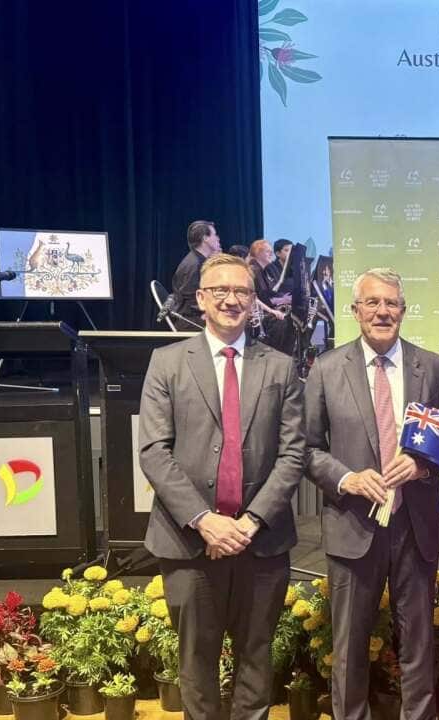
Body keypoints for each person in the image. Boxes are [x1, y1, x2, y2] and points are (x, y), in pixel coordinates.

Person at [138, 253, 306, 720]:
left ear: (253, 301)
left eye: (242, 292)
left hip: (262, 541)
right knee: (196, 660)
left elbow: (293, 454)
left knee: (257, 656)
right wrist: (204, 520)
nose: (232, 300)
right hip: (189, 541)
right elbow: (153, 451)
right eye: (220, 291)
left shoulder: (281, 367)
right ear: (200, 298)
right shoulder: (167, 362)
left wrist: (251, 522)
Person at [303, 268, 439, 720]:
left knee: (419, 643)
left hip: (415, 526)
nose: (382, 311)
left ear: (404, 311)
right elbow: (306, 448)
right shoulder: (326, 369)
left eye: (391, 303)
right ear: (355, 311)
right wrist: (347, 479)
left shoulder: (434, 368)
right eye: (372, 302)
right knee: (349, 645)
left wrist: (422, 465)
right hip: (352, 524)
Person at [247, 240, 295, 355]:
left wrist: (281, 300)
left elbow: (267, 295)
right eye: (268, 252)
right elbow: (253, 298)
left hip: (267, 311)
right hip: (259, 315)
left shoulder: (265, 270)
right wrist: (272, 310)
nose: (271, 254)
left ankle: (287, 356)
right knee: (283, 323)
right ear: (258, 253)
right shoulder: (252, 270)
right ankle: (279, 355)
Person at [171, 220, 222, 326]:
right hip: (191, 321)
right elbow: (192, 301)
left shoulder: (198, 260)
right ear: (205, 238)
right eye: (215, 234)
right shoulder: (194, 264)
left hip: (195, 316)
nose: (218, 238)